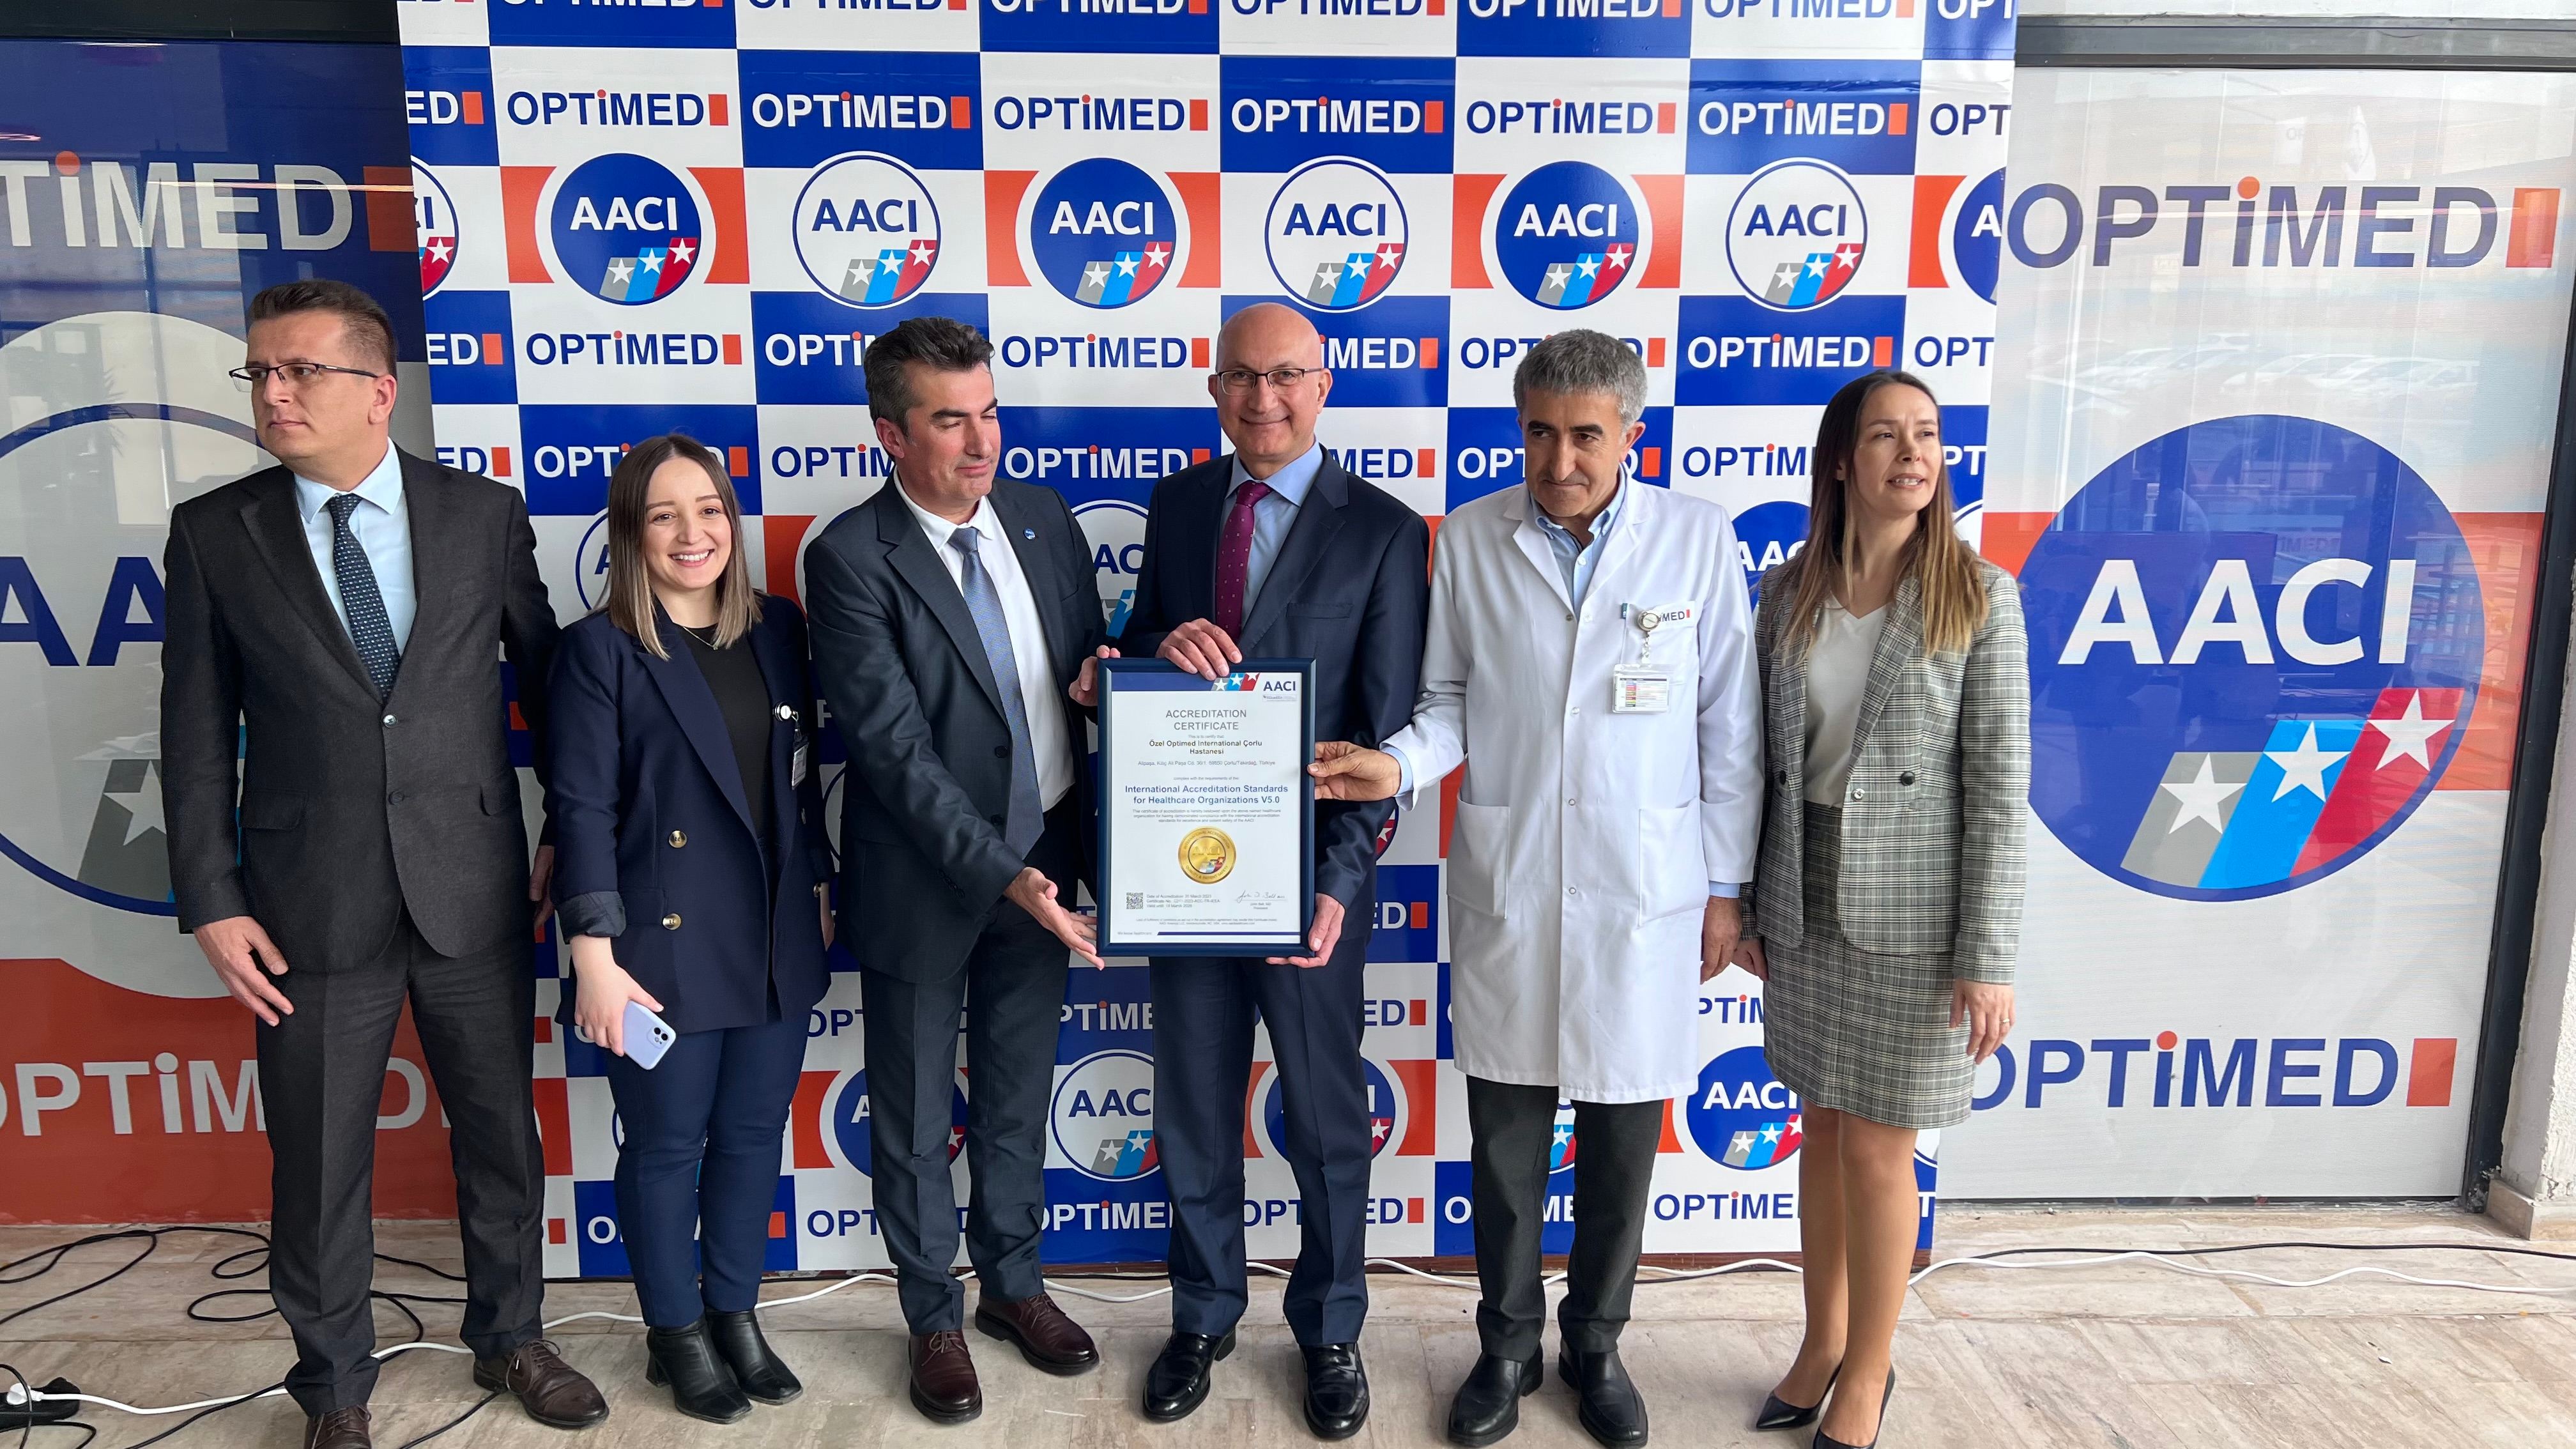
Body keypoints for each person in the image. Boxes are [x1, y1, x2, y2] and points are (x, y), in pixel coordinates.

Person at [160, 279, 603, 1449]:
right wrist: (210, 899)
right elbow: (193, 734)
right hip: (305, 902)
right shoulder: (215, 533)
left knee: (501, 1136)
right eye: (260, 372)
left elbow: (554, 691)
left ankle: (512, 1335)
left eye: (300, 370)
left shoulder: (481, 514)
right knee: (316, 1165)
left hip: (475, 890)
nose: (274, 392)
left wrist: (565, 831)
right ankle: (334, 1390)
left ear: (378, 390)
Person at [1307, 330, 1761, 1449]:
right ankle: (1505, 1345)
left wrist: (1725, 887)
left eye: (1587, 436)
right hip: (1512, 881)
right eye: (1542, 434)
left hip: (1647, 890)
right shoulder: (1470, 537)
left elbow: (1730, 724)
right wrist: (1396, 766)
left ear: (1632, 434)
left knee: (1622, 1143)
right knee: (1506, 1152)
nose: (1562, 461)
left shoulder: (1696, 539)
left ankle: (1596, 1344)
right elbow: (1449, 701)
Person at [1076, 301, 1427, 1440]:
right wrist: (1146, 649)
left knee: (1325, 1120)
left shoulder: (1384, 531)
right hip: (1185, 874)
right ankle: (1204, 1314)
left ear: (1323, 386)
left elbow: (1385, 736)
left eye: (1284, 377)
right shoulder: (1181, 504)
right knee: (1191, 1108)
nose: (1261, 399)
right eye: (1240, 377)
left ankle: (1329, 1329)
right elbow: (1144, 660)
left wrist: (1339, 884)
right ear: (1214, 388)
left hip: (1310, 887)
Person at [802, 316, 1107, 1426]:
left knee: (1019, 1093)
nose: (982, 443)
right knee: (917, 1109)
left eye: (989, 414)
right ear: (891, 434)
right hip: (927, 879)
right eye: (949, 421)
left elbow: (1080, 667)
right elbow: (893, 753)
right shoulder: (849, 557)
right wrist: (1004, 875)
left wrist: (1101, 680)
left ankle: (1013, 1287)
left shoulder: (1041, 517)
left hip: (1050, 852)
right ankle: (932, 1313)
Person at [1735, 370, 2028, 1449]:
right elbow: (1759, 764)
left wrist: (1988, 954)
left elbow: (2000, 787)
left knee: (1878, 1148)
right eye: (1887, 436)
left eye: (1929, 436)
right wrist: (1750, 902)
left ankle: (1869, 1372)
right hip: (1803, 893)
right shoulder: (1786, 592)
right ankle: (1821, 1343)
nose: (1913, 455)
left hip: (1919, 916)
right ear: (1839, 462)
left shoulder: (1979, 595)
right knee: (1819, 1125)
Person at [545, 434, 832, 1423]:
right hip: (654, 951)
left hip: (774, 935)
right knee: (667, 1147)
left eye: (708, 510)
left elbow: (799, 781)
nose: (691, 533)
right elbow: (579, 810)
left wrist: (819, 884)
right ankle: (674, 1334)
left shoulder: (778, 627)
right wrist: (592, 956)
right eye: (664, 515)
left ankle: (734, 1316)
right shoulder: (598, 650)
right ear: (631, 533)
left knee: (752, 1136)